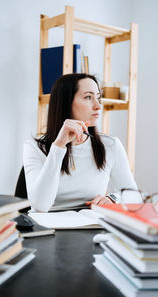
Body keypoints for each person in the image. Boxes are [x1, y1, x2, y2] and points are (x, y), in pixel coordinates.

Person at [23, 73, 137, 212]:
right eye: (88, 97)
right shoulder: (34, 147)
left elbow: (134, 196)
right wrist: (58, 147)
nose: (98, 106)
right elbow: (40, 206)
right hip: (48, 227)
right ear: (66, 103)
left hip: (90, 224)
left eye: (98, 97)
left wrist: (113, 199)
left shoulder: (110, 145)